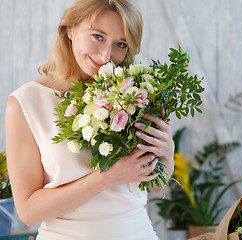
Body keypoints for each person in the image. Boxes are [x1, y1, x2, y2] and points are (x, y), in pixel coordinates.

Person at [5, 0, 174, 239]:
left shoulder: (135, 94)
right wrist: (107, 177)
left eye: (120, 44)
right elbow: (28, 212)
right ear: (69, 29)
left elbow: (156, 184)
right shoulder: (26, 103)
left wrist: (167, 151)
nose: (106, 55)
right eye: (97, 36)